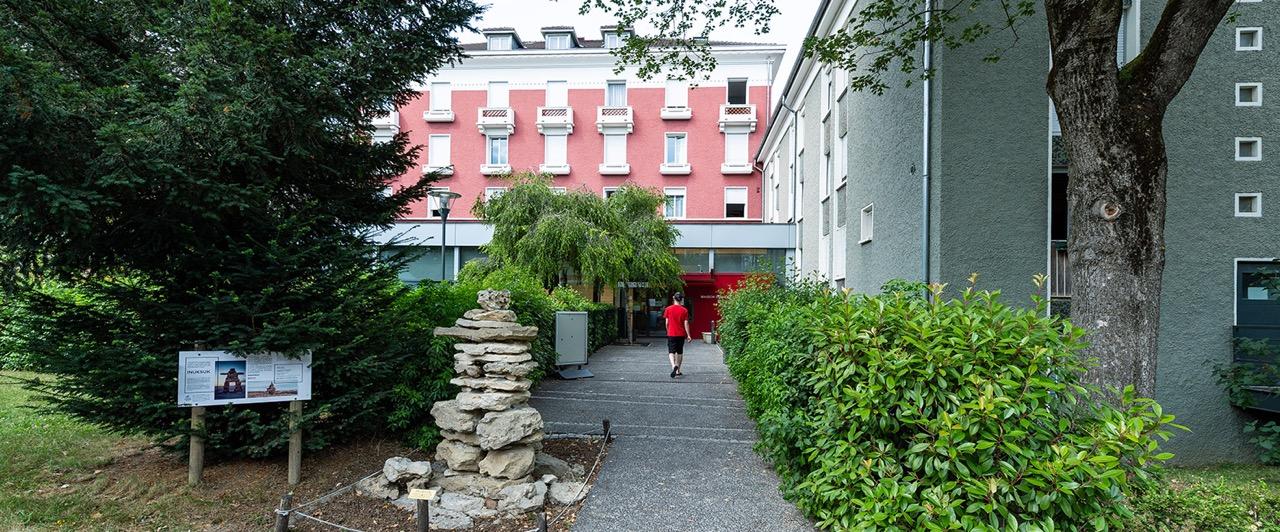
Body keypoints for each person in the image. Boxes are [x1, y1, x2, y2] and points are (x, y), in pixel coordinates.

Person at [662, 292, 692, 378]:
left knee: (671, 351)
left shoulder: (668, 309)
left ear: (673, 298)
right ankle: (678, 370)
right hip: (681, 334)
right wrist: (688, 335)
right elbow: (686, 324)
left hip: (671, 333)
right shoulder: (684, 310)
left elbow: (667, 323)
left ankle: (673, 366)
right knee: (679, 352)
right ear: (681, 299)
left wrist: (668, 331)